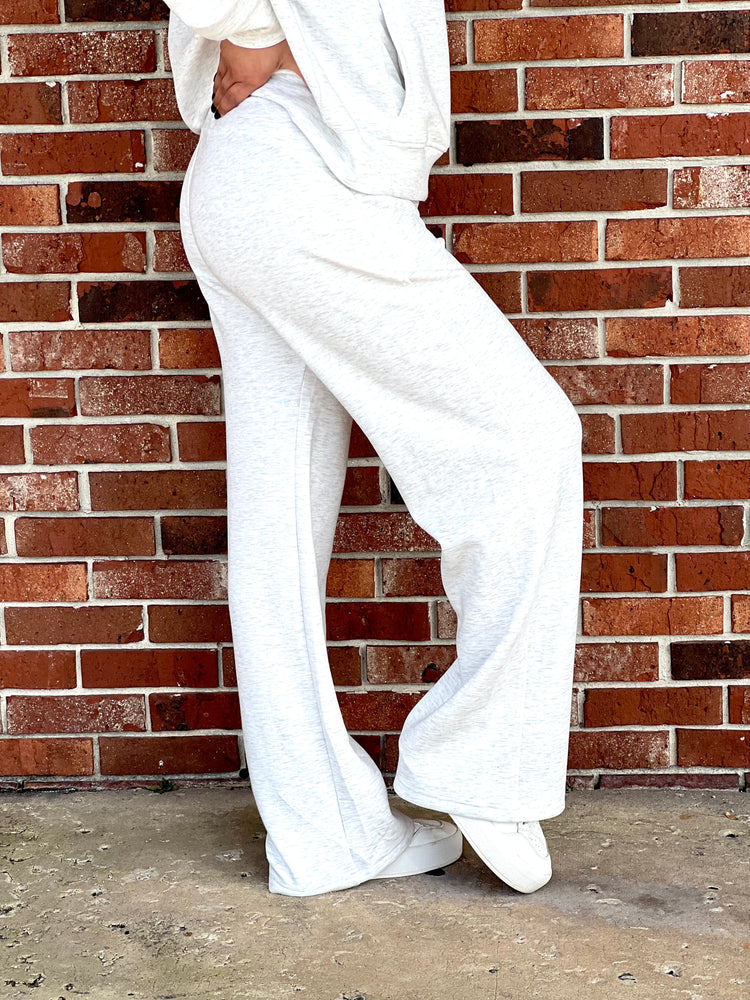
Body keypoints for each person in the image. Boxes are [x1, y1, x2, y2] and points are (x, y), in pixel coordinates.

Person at [164, 0, 584, 898]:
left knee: (279, 525)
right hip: (306, 168)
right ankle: (481, 765)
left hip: (263, 176)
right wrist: (249, 31)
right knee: (531, 439)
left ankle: (323, 834)